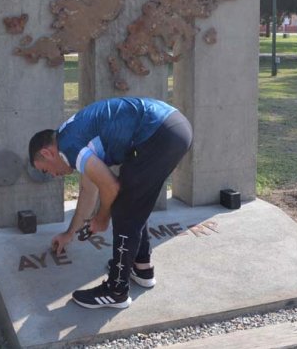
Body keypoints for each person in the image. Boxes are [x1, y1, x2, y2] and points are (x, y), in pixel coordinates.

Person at [28, 96, 192, 310]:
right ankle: (141, 267)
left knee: (124, 209)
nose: (52, 175)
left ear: (46, 153)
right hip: (171, 127)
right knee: (133, 202)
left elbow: (110, 187)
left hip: (159, 133)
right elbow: (90, 190)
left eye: (45, 169)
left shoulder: (69, 147)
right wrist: (70, 233)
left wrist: (102, 218)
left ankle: (116, 291)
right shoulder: (70, 138)